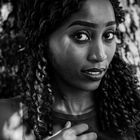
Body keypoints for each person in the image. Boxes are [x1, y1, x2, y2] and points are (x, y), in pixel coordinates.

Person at [0, 0, 140, 140]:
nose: (100, 55)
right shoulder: (6, 119)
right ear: (43, 40)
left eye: (108, 35)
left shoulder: (134, 114)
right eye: (81, 36)